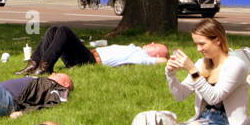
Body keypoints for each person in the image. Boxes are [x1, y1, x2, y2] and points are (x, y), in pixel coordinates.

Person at [84, 19, 248, 125]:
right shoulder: (202, 64)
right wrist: (171, 74)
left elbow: (214, 97)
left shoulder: (236, 65)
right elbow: (180, 95)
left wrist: (192, 70)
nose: (198, 49)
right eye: (196, 44)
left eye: (202, 44)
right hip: (203, 121)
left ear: (217, 40)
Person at [14, 26, 168, 75]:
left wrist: (173, 58)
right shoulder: (135, 48)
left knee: (64, 31)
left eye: (156, 45)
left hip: (89, 60)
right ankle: (33, 63)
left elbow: (162, 61)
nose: (152, 42)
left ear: (156, 54)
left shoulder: (141, 56)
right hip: (87, 54)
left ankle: (45, 65)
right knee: (53, 30)